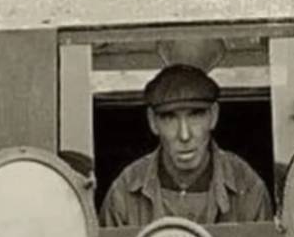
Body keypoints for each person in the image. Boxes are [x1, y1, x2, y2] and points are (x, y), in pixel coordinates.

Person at [101, 64, 272, 227]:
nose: (184, 135)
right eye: (169, 117)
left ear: (213, 116)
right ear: (152, 122)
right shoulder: (125, 190)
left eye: (195, 115)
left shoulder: (247, 187)